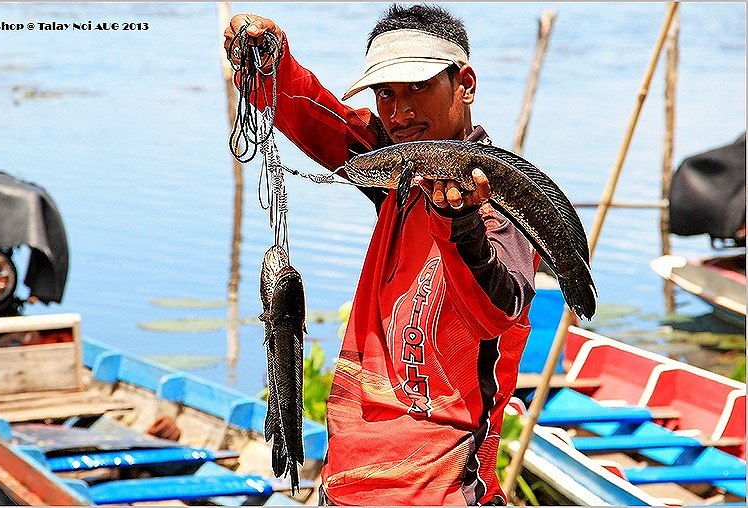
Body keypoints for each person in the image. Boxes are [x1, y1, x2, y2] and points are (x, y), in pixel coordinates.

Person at [224, 5, 539, 505]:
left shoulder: (499, 197)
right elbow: (320, 118)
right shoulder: (394, 169)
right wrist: (268, 65)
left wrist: (460, 221)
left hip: (442, 490)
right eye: (386, 93)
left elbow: (500, 307)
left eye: (418, 87)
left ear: (466, 85)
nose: (400, 112)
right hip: (347, 482)